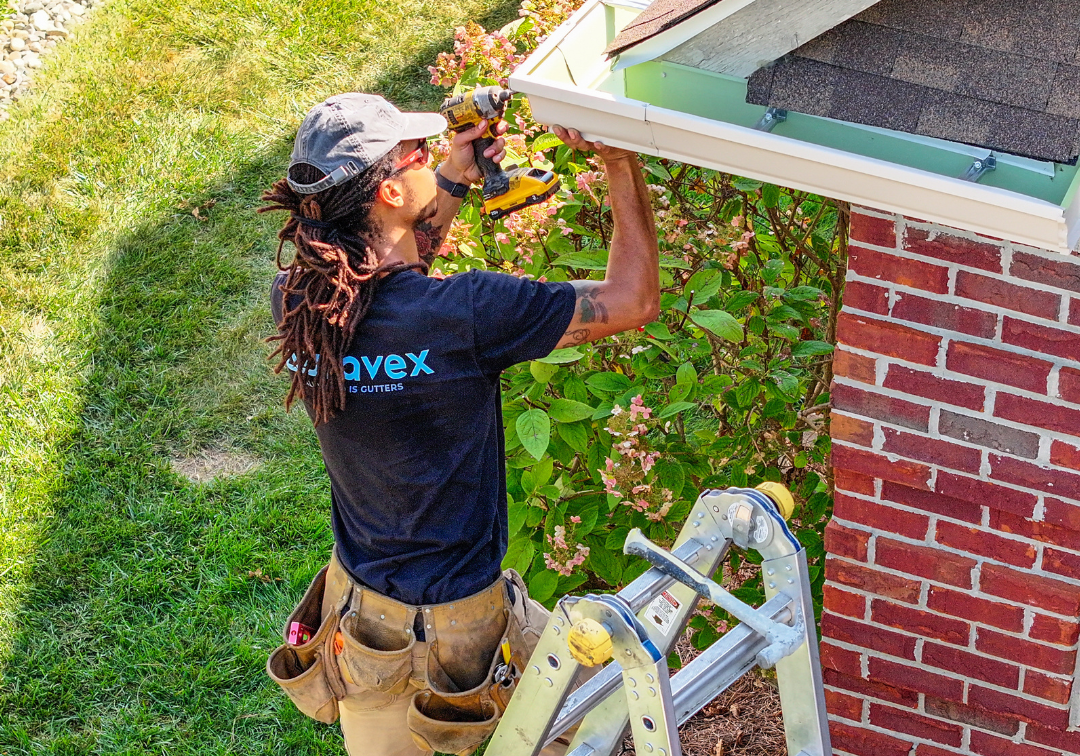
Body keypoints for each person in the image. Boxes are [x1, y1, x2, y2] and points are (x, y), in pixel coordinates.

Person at [262, 92, 659, 756]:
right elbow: (634, 297)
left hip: (364, 620)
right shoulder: (469, 314)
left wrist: (449, 177)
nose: (429, 151)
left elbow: (394, 274)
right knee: (601, 732)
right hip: (467, 626)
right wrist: (620, 158)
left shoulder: (302, 301)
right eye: (415, 152)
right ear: (388, 190)